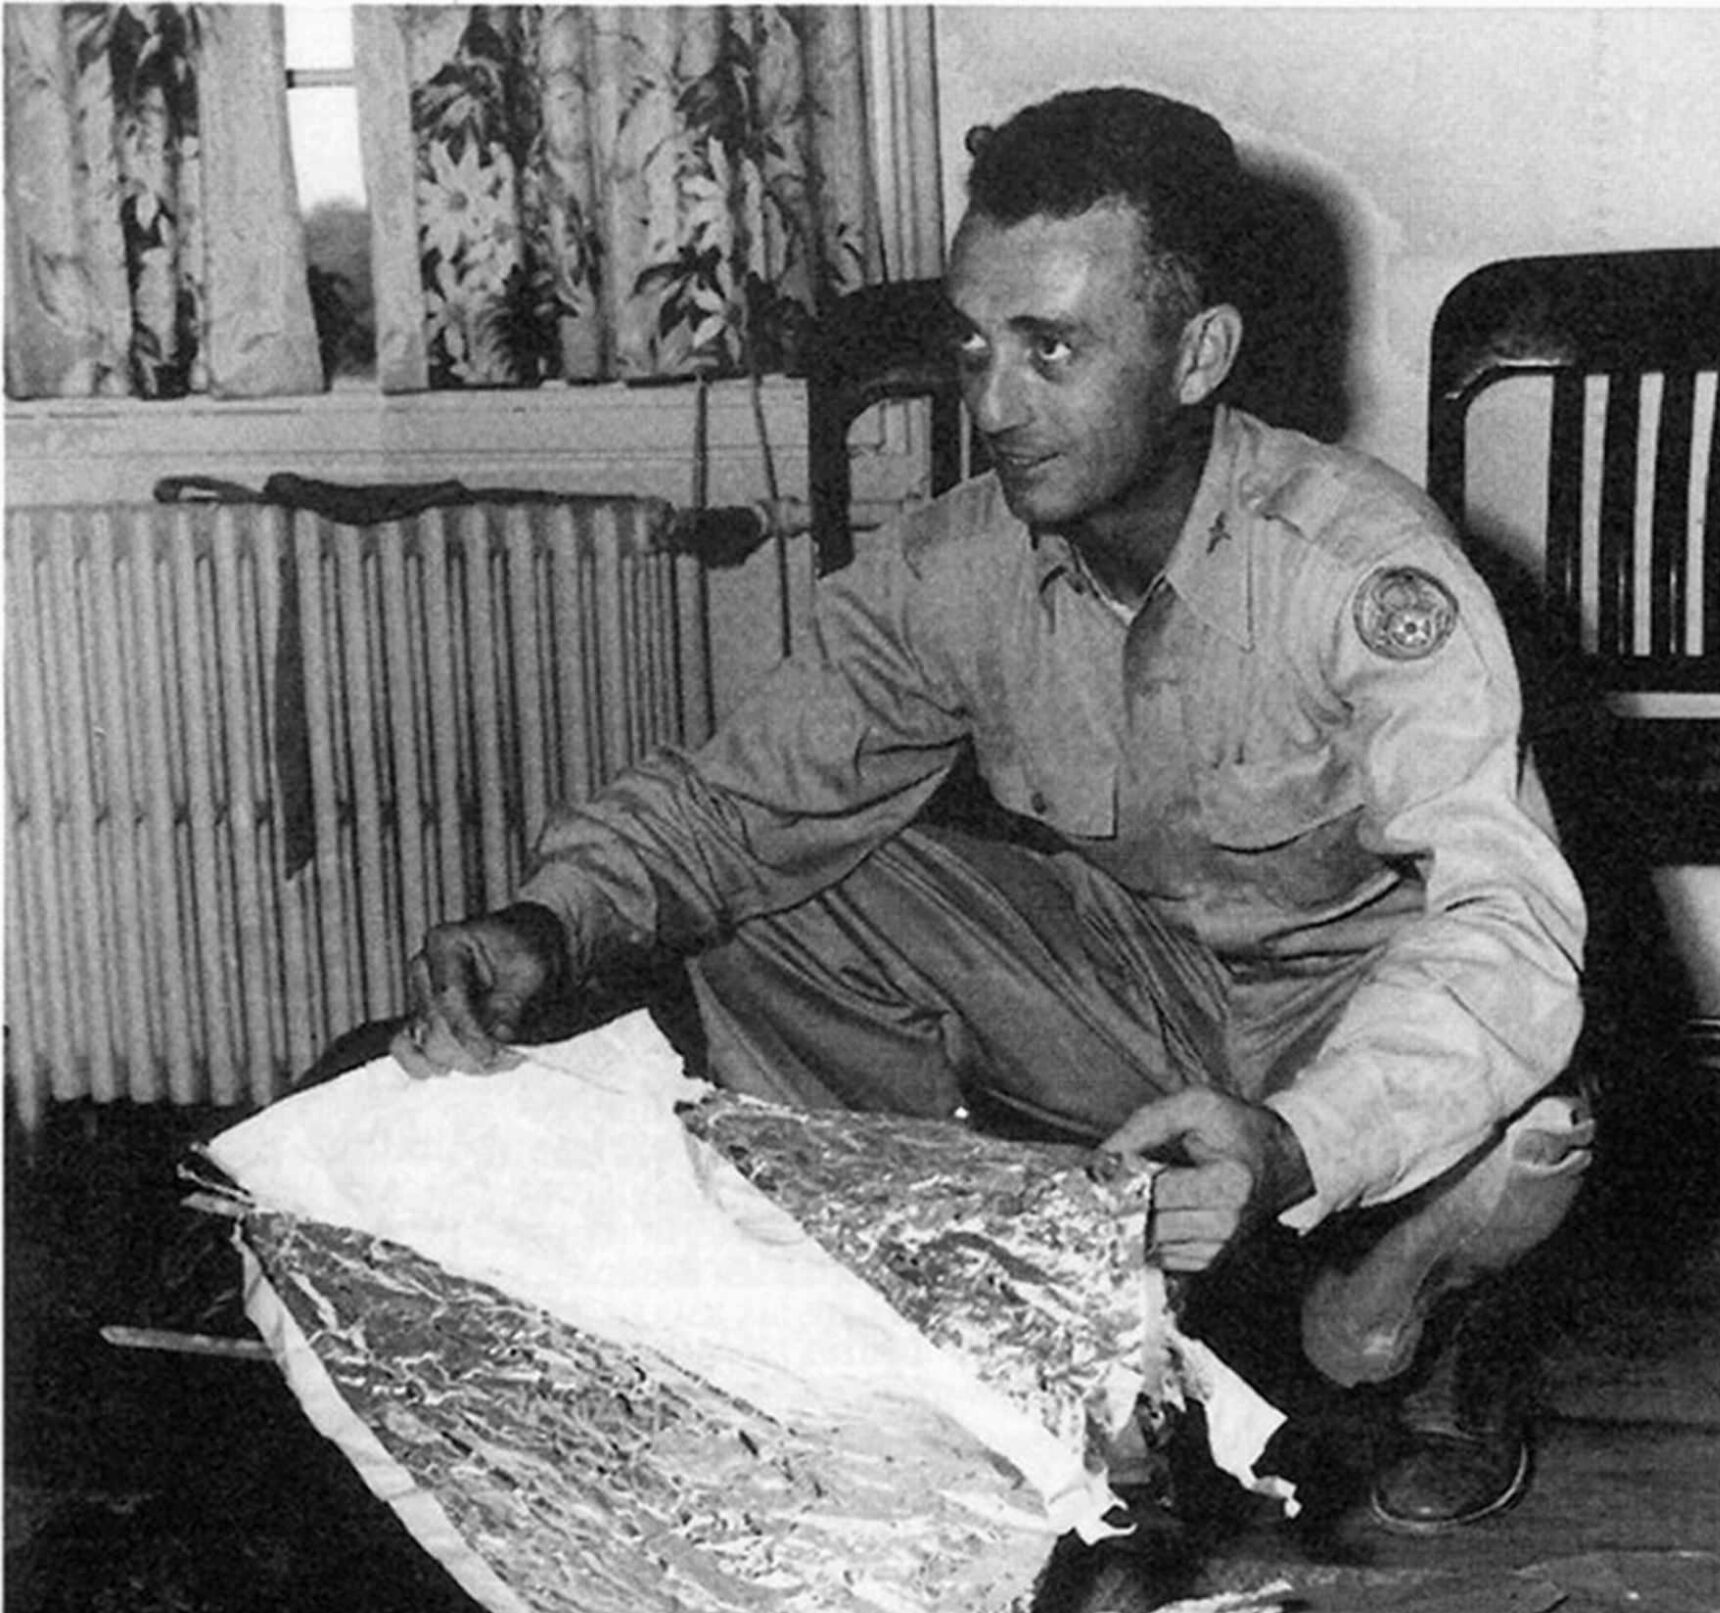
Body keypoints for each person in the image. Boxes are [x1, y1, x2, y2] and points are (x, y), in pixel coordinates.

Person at [395, 86, 1592, 1532]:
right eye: (975, 343)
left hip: (1356, 1005)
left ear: (1198, 352)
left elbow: (1504, 916)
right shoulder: (947, 567)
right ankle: (958, 1323)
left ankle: (1407, 1330)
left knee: (1535, 1099)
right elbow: (738, 808)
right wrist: (549, 920)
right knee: (789, 892)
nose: (992, 404)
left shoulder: (1358, 571)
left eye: (1054, 349)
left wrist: (1297, 1143)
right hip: (1140, 990)